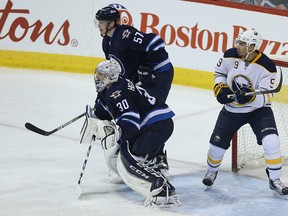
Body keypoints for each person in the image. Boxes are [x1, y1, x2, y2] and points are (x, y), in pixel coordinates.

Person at [79, 59, 181, 207]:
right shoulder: (109, 89)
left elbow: (130, 121)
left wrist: (116, 133)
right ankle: (161, 184)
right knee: (126, 155)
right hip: (155, 124)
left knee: (129, 156)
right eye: (98, 75)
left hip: (155, 125)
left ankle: (159, 188)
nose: (97, 78)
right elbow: (104, 110)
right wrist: (95, 116)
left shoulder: (117, 91)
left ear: (111, 76)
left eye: (101, 75)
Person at [202, 29, 288, 197]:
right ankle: (211, 172)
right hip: (231, 110)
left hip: (258, 111)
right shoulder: (230, 55)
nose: (237, 46)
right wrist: (221, 88)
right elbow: (219, 73)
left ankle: (275, 180)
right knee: (216, 146)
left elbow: (266, 96)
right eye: (238, 42)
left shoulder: (267, 66)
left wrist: (248, 98)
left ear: (252, 46)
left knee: (272, 141)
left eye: (242, 44)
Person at [94, 5, 174, 105]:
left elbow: (156, 42)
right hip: (141, 80)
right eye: (98, 22)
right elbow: (115, 69)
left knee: (151, 109)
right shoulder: (106, 41)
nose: (98, 25)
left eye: (101, 22)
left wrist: (146, 67)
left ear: (111, 23)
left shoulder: (125, 35)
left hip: (159, 72)